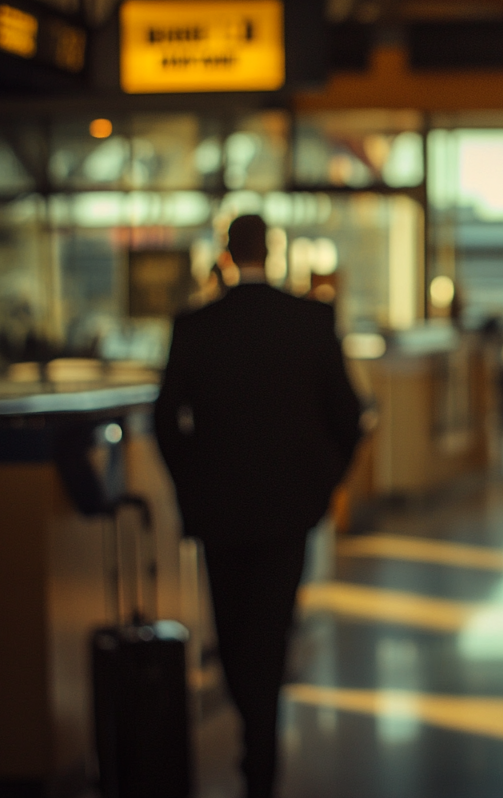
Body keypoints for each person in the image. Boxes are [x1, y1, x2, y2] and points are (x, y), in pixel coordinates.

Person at [155, 214, 361, 798]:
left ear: (224, 255)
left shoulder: (194, 326)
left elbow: (165, 419)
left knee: (232, 628)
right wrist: (324, 486)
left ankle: (257, 745)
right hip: (287, 511)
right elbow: (348, 416)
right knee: (270, 629)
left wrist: (190, 486)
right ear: (270, 252)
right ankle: (261, 758)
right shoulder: (311, 320)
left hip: (218, 511)